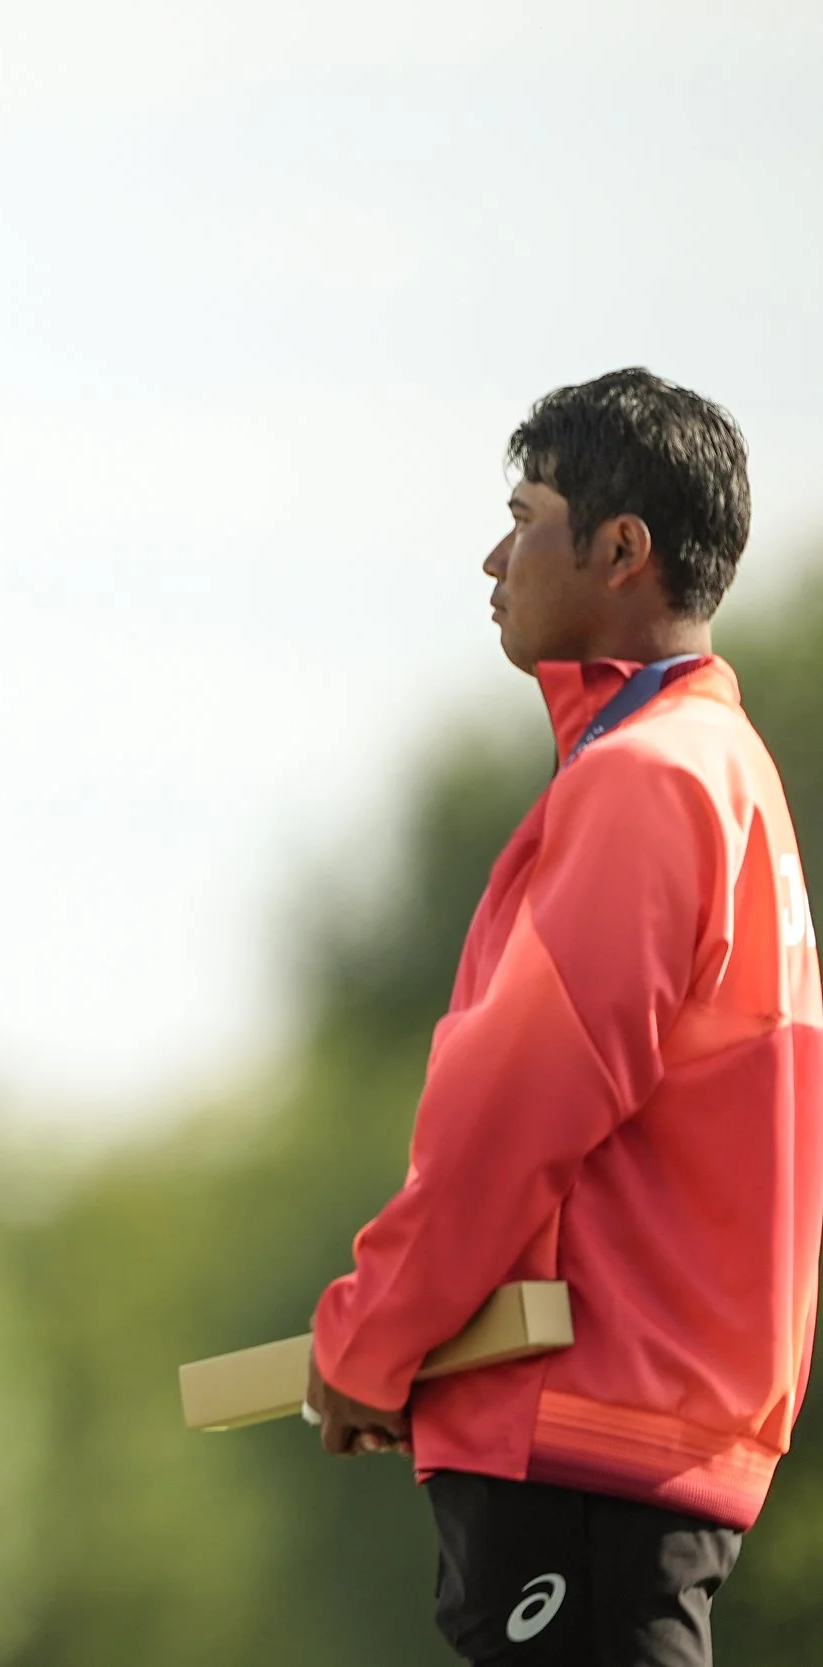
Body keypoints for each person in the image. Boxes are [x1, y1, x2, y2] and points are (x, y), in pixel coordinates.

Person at [307, 369, 823, 1665]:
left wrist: (373, 1336)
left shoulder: (643, 783)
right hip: (664, 1421)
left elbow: (514, 1110)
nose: (494, 553)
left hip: (586, 1424)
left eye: (524, 512)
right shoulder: (729, 770)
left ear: (621, 548)